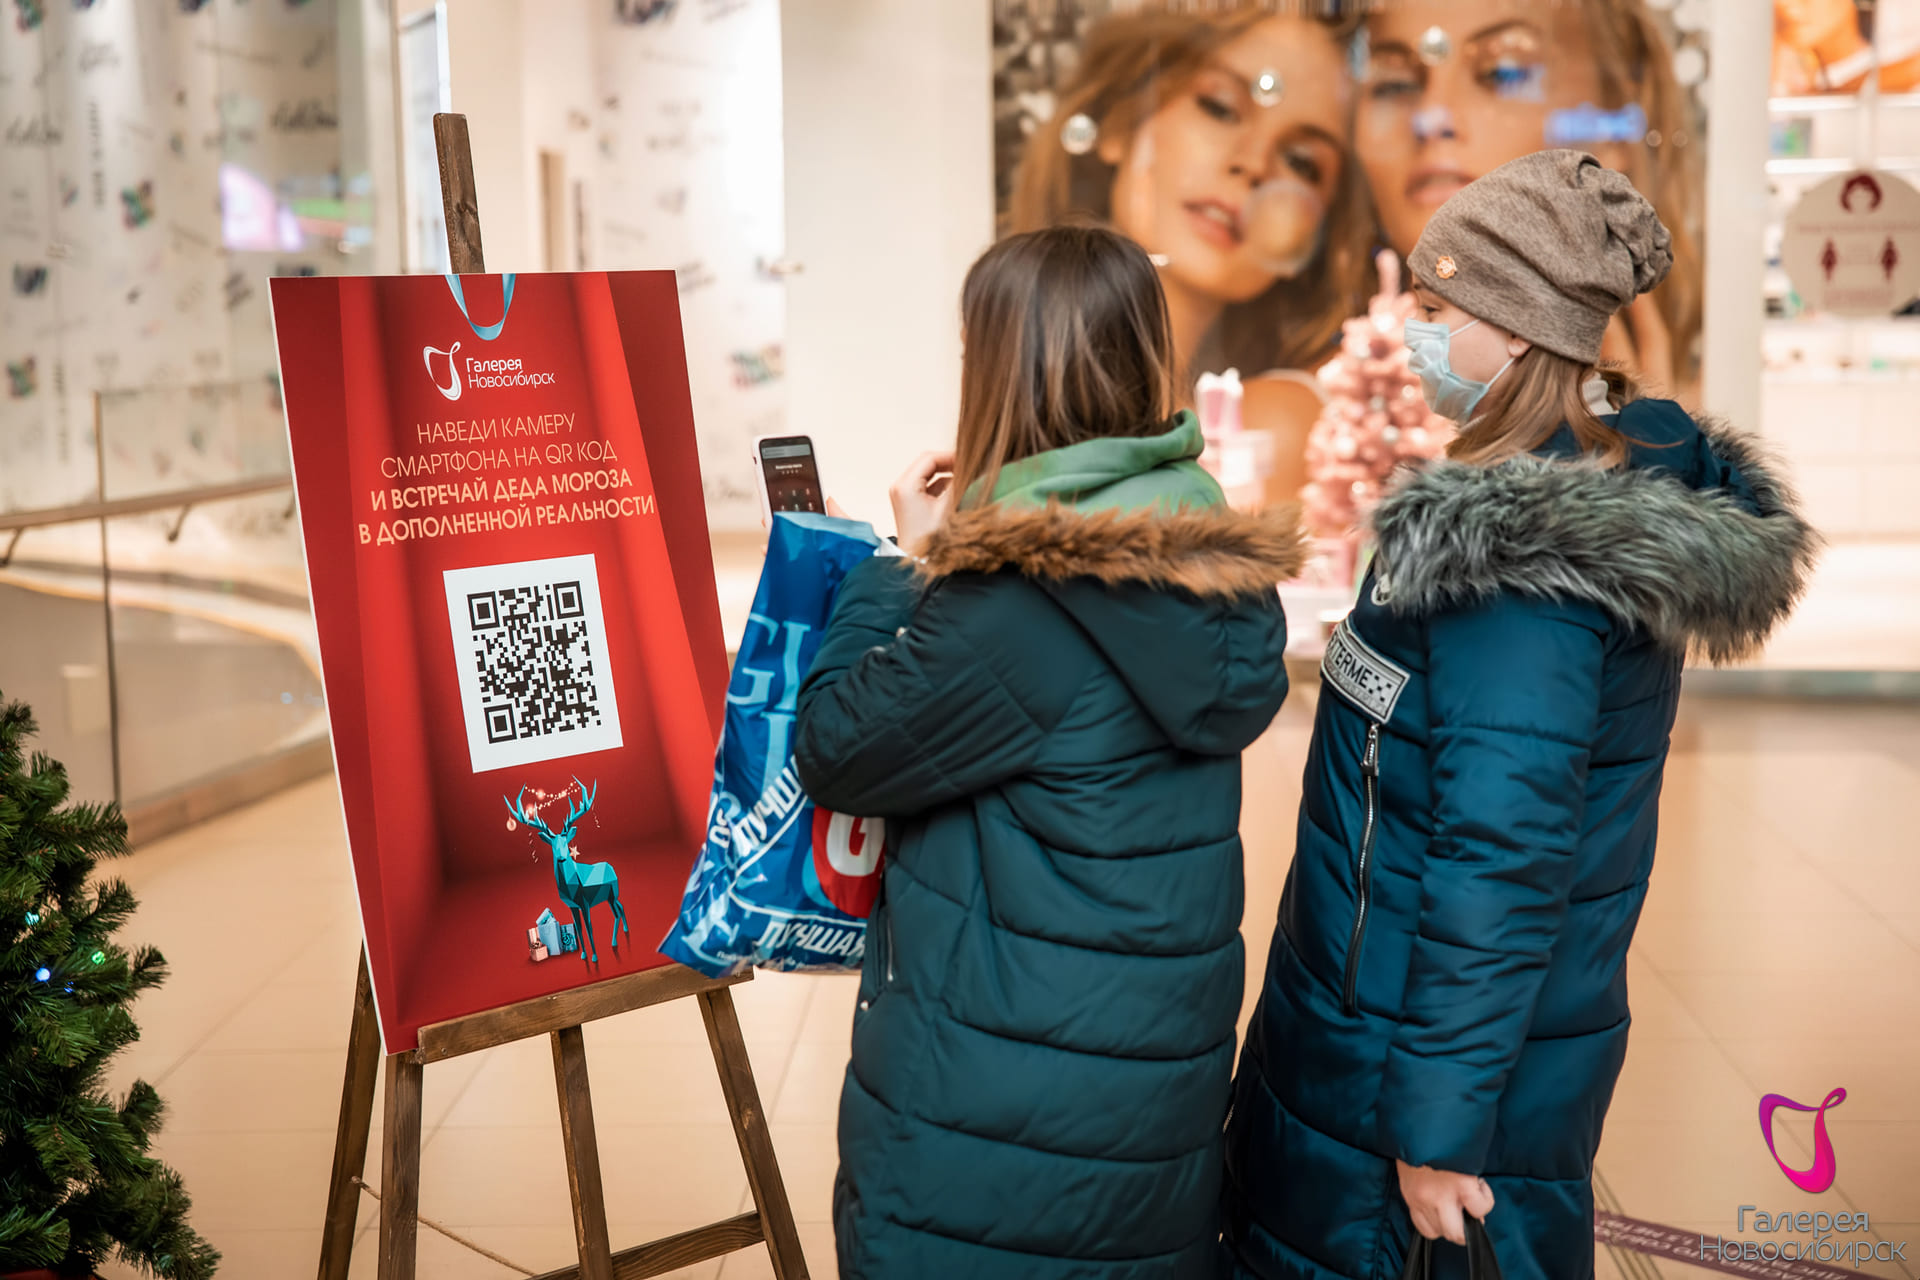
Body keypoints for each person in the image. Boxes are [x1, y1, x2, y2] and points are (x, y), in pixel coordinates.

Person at [1222, 151, 1817, 1279]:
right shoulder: (1562, 501)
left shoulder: (1518, 567)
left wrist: (1437, 1130)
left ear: (1515, 327)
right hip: (1387, 1026)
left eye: (1436, 308)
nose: (1415, 332)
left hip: (1407, 1074)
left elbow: (1501, 857)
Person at [793, 224, 1304, 1279]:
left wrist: (899, 566)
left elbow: (840, 745)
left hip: (1001, 1108)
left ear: (1007, 371)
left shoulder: (1021, 596)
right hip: (1146, 1084)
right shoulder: (1201, 549)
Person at [1010, 7, 1377, 500]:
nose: (1254, 164)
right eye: (1220, 108)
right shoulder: (1003, 364)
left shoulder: (1275, 432)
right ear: (1120, 121)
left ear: (1319, 232)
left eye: (1301, 162)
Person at [1357, 0, 1702, 400]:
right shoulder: (1318, 405)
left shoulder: (1732, 390)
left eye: (1502, 73)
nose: (1432, 117)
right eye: (1395, 83)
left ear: (1617, 121)